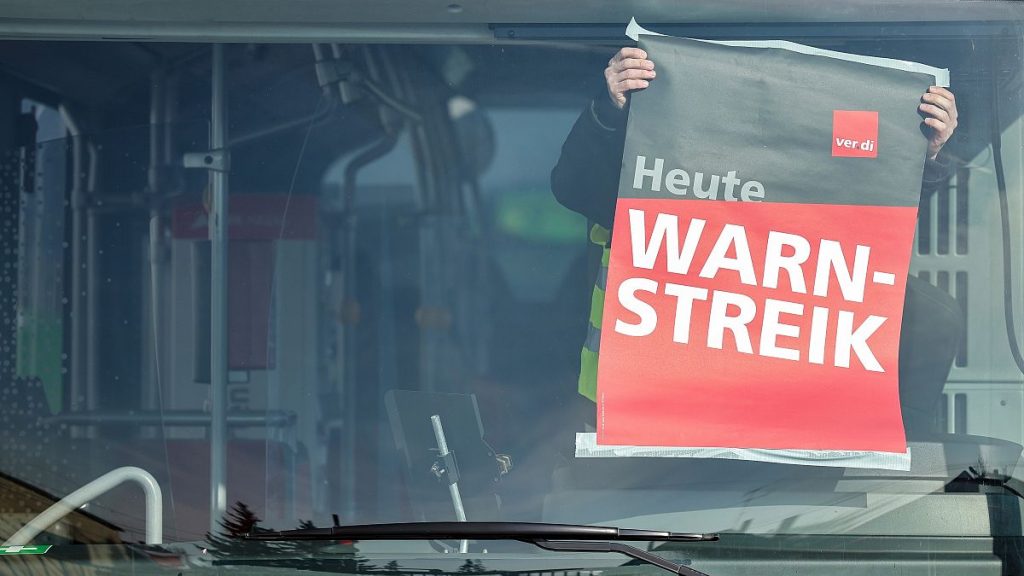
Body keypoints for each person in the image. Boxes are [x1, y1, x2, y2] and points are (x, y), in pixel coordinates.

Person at [551, 47, 962, 439]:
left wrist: (917, 152)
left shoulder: (923, 316)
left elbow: (870, 217)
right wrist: (610, 112)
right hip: (642, 441)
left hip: (790, 468)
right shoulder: (659, 188)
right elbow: (576, 186)